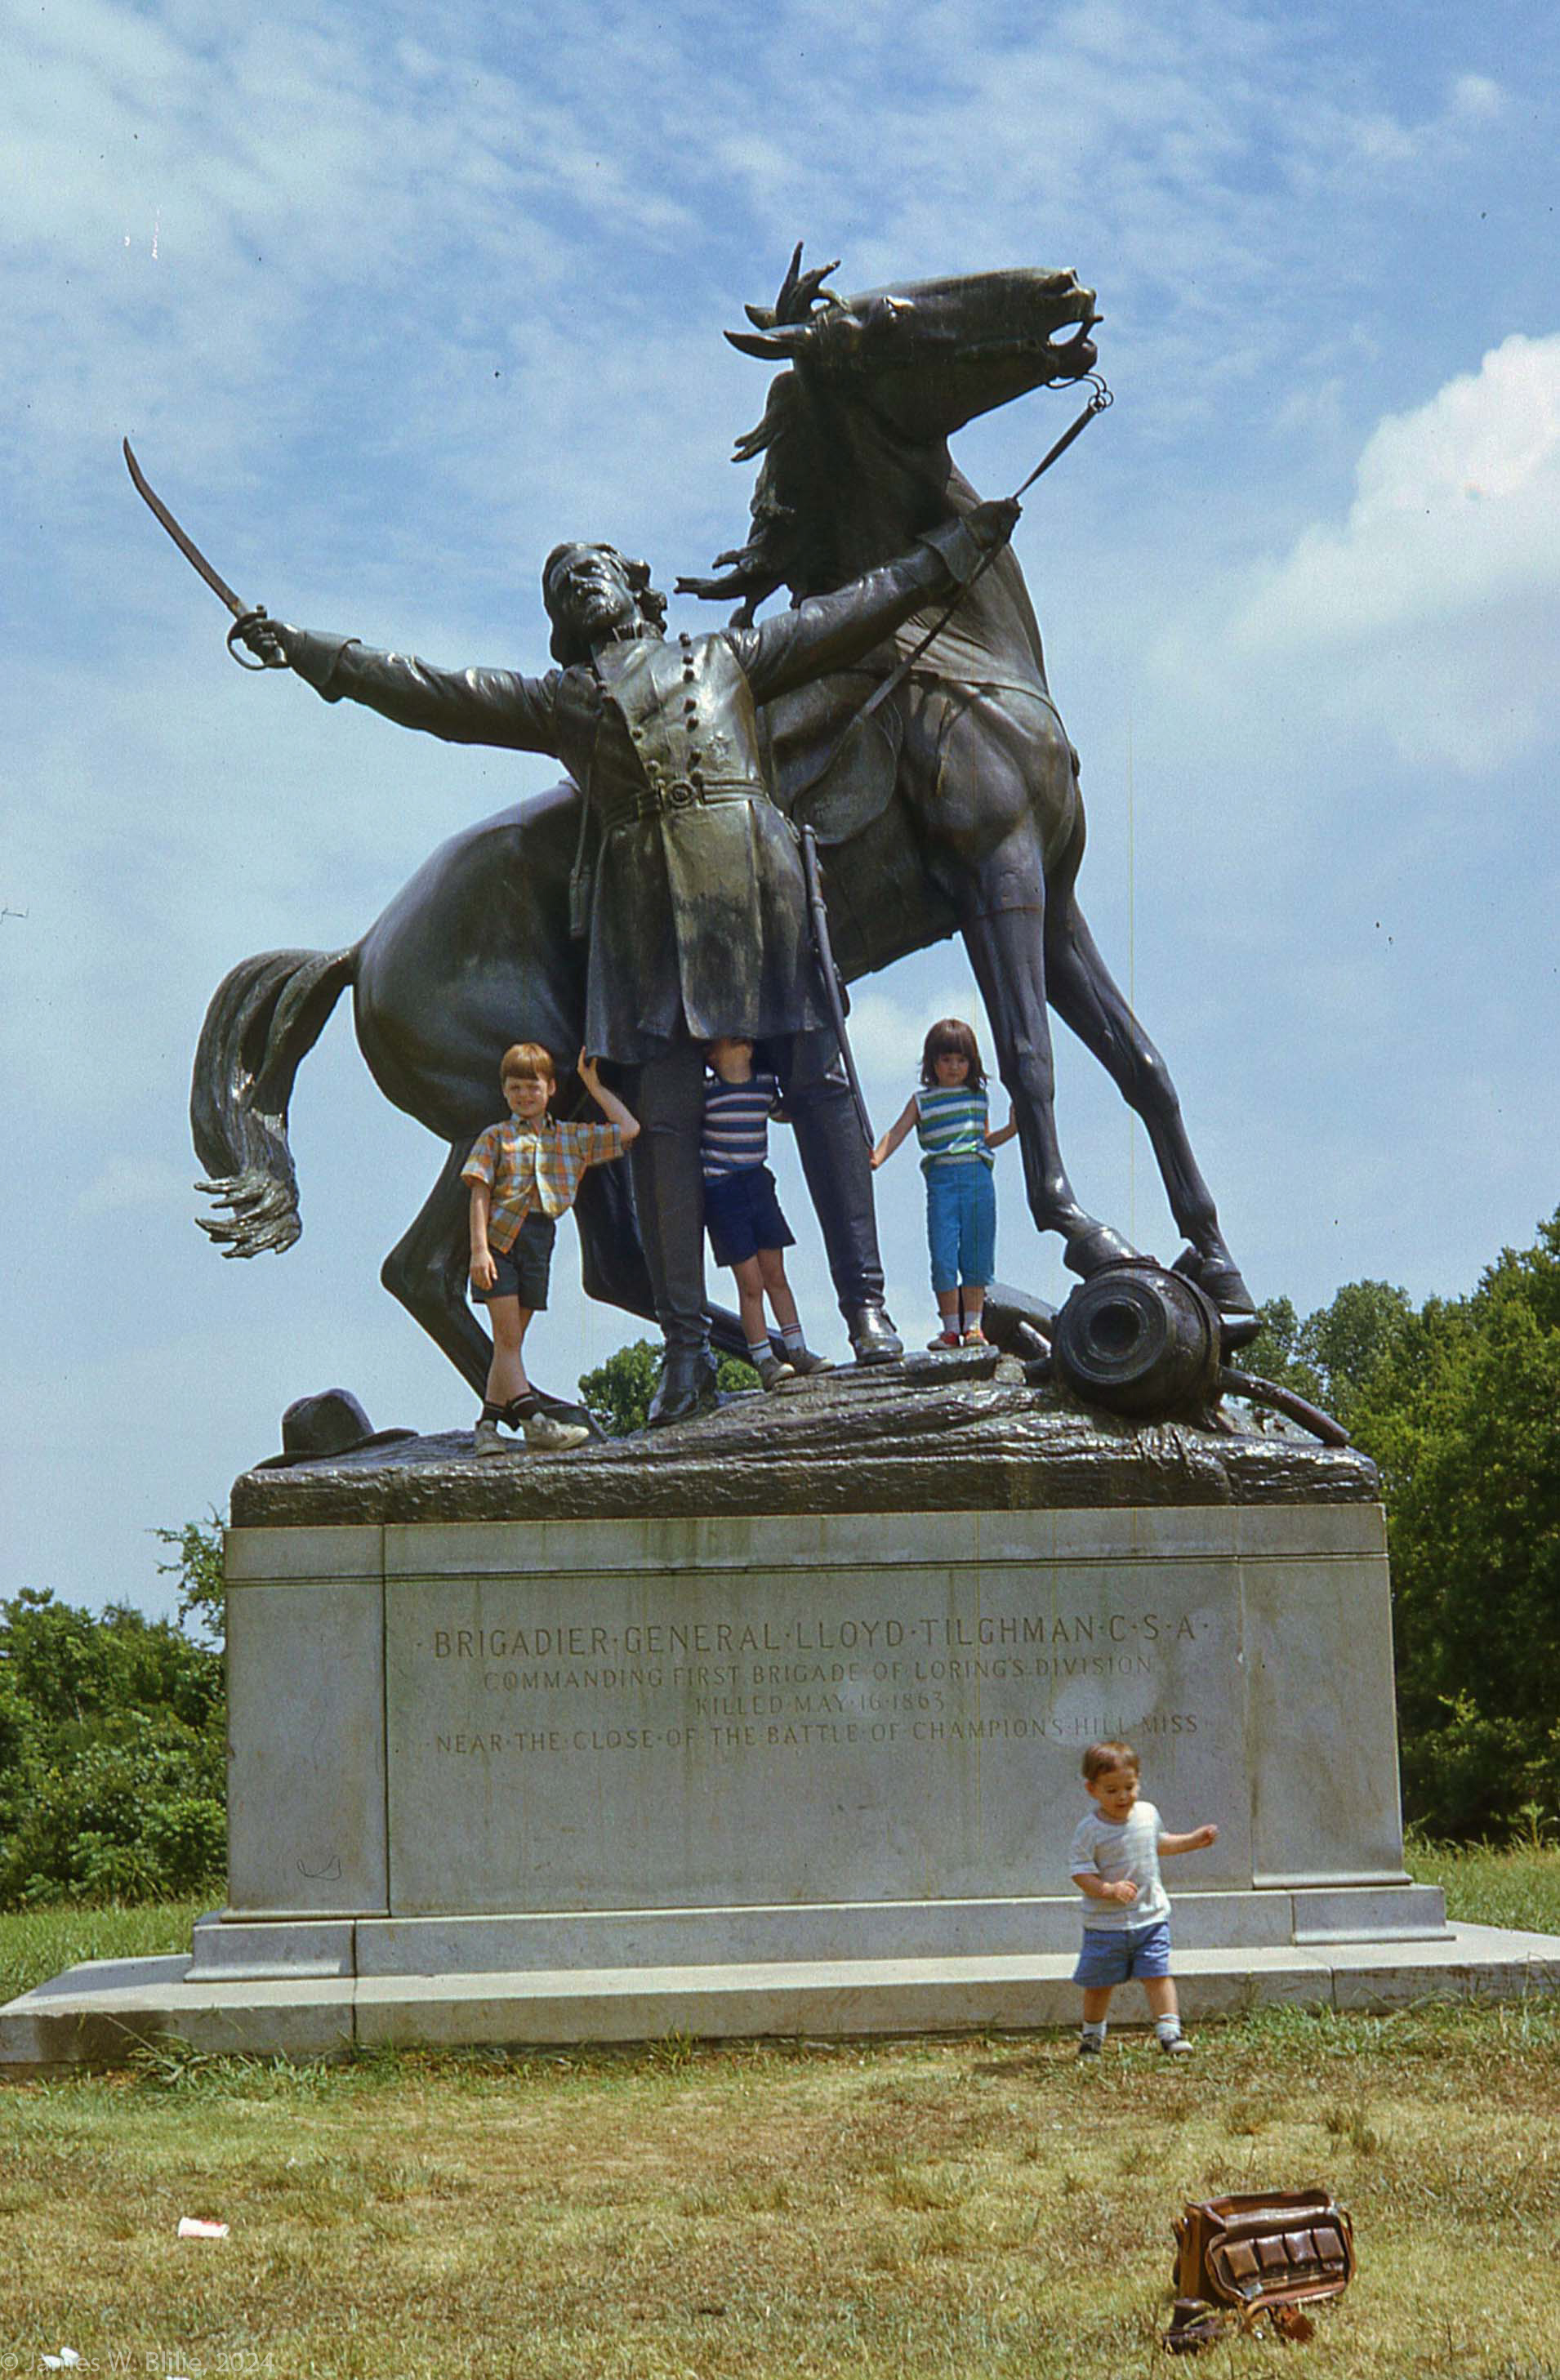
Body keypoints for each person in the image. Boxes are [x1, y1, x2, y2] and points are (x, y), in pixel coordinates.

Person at [239, 497, 1020, 1426]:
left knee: (820, 1093)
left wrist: (953, 547)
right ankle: (687, 1351)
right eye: (561, 586)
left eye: (591, 569)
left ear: (634, 588)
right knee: (665, 1137)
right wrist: (312, 652)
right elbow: (433, 692)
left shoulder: (724, 657)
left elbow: (851, 613)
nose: (578, 583)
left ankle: (867, 1311)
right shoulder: (562, 701)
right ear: (561, 626)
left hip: (763, 891)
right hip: (647, 928)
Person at [462, 1042, 639, 1456]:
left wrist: (593, 1085)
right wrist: (478, 1250)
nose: (524, 1095)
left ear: (551, 1088)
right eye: (515, 1088)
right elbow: (479, 1194)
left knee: (509, 1346)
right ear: (504, 1091)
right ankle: (535, 1421)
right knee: (508, 1340)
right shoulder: (496, 1137)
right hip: (500, 1242)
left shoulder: (571, 1139)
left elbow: (629, 1130)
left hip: (539, 1242)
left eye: (532, 1087)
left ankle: (487, 1426)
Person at [1067, 1738, 1218, 2059]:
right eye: (1111, 1790)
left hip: (1150, 1917)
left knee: (1158, 1974)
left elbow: (1158, 1843)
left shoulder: (1147, 1814)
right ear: (1092, 1789)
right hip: (1106, 1925)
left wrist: (1193, 1841)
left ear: (1139, 1781)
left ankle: (1170, 2033)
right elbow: (1080, 1872)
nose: (1123, 1796)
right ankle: (1092, 2036)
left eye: (1129, 1787)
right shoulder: (1089, 1830)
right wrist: (1108, 1890)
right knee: (1099, 1983)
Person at [871, 1017, 1016, 1348]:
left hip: (978, 1178)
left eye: (961, 1060)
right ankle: (951, 1328)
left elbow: (985, 1139)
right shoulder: (922, 1101)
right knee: (943, 1254)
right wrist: (876, 1158)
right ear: (932, 1062)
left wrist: (1012, 1129)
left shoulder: (977, 1096)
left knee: (977, 1251)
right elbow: (897, 1132)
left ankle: (974, 1326)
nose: (954, 1067)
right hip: (942, 1181)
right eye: (946, 1059)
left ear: (971, 1063)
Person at [702, 1036, 833, 1391]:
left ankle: (798, 1350)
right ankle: (764, 1359)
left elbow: (783, 1114)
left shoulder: (764, 1086)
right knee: (750, 1282)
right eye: (731, 1038)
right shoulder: (706, 1093)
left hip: (758, 1185)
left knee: (776, 1274)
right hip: (723, 1192)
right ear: (712, 1054)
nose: (742, 1040)